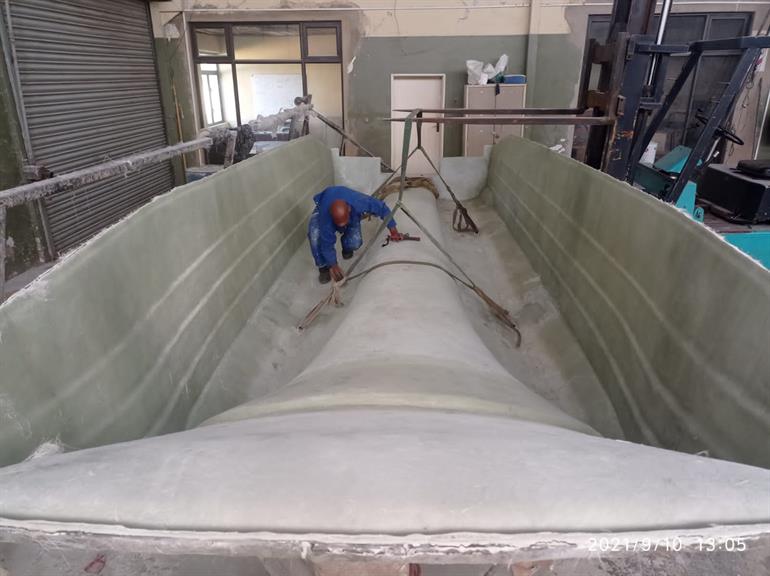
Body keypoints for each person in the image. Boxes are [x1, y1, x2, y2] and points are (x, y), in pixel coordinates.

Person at [308, 185, 405, 284]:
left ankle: (347, 248)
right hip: (323, 205)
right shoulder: (326, 216)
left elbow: (382, 208)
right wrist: (333, 265)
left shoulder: (359, 202)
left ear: (349, 209)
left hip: (350, 211)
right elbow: (326, 243)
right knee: (315, 236)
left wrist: (393, 231)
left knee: (355, 241)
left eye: (344, 222)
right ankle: (323, 267)